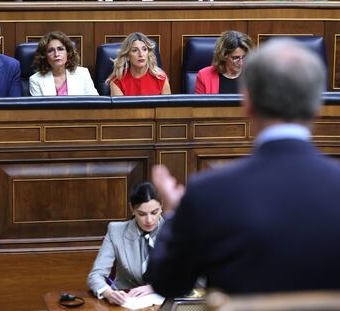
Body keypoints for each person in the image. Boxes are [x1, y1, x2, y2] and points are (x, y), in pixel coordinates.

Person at [147, 39, 340, 297]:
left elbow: (167, 283)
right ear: (319, 107)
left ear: (247, 103)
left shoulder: (208, 192)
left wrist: (173, 216)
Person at [87, 182, 164, 305]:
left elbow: (191, 275)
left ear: (162, 206)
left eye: (154, 212)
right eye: (142, 214)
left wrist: (155, 287)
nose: (149, 220)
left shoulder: (178, 231)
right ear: (132, 209)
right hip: (126, 303)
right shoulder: (116, 231)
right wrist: (109, 293)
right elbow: (96, 275)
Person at [29, 31, 98, 96]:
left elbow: (95, 103)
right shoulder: (35, 80)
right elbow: (38, 108)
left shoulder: (83, 73)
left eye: (60, 49)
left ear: (68, 53)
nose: (56, 54)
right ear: (44, 56)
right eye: (51, 51)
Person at [195, 30, 253, 94]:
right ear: (224, 55)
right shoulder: (204, 75)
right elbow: (201, 104)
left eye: (245, 57)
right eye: (235, 58)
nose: (241, 62)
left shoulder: (255, 75)